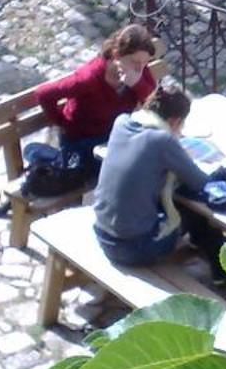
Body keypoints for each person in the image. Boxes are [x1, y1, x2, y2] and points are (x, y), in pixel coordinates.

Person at [92, 79, 217, 268]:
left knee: (164, 202)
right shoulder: (162, 140)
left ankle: (211, 263)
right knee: (198, 215)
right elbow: (200, 182)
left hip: (102, 233)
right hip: (134, 248)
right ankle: (222, 272)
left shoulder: (122, 122)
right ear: (175, 121)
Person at [33, 23, 159, 156]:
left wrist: (137, 84)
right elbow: (43, 93)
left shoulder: (138, 72)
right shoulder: (89, 78)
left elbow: (155, 102)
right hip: (83, 141)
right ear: (116, 55)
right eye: (135, 61)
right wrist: (61, 123)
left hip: (113, 136)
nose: (140, 68)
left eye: (145, 63)